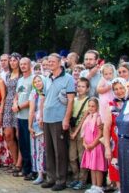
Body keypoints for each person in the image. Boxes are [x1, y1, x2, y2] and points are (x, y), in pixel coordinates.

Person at [40, 53, 75, 191]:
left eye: (53, 61)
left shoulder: (68, 78)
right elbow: (44, 98)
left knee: (60, 151)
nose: (50, 64)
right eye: (48, 62)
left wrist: (66, 118)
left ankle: (61, 180)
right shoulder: (47, 78)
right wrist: (41, 115)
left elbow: (71, 100)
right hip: (47, 118)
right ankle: (51, 178)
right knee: (48, 150)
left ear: (60, 62)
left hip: (59, 118)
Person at [78, 98, 107, 193]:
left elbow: (100, 134)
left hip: (96, 146)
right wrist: (84, 143)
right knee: (91, 166)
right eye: (89, 106)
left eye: (93, 106)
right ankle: (93, 185)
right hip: (88, 146)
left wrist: (92, 144)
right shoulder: (88, 117)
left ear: (97, 107)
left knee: (97, 167)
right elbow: (84, 132)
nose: (90, 108)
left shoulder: (98, 117)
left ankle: (99, 186)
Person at [69, 77, 91, 190]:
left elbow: (84, 118)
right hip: (71, 130)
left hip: (81, 132)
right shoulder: (74, 100)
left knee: (81, 156)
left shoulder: (88, 101)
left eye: (83, 86)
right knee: (72, 156)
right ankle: (75, 177)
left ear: (87, 89)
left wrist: (75, 132)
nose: (80, 88)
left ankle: (83, 180)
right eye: (78, 86)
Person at [14, 57, 33, 178]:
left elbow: (32, 100)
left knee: (29, 144)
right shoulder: (20, 80)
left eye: (25, 64)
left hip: (28, 117)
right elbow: (17, 95)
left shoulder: (34, 79)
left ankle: (31, 170)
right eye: (21, 64)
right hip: (19, 116)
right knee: (23, 144)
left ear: (30, 65)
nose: (23, 66)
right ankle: (25, 169)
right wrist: (15, 104)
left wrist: (20, 106)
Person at [2, 53, 21, 172]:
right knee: (8, 134)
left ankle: (20, 163)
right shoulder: (8, 75)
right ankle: (14, 161)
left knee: (19, 136)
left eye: (15, 60)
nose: (13, 62)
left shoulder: (22, 75)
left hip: (19, 105)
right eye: (11, 60)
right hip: (8, 105)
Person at [29, 75, 48, 185]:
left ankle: (48, 173)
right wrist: (29, 125)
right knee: (36, 149)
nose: (37, 83)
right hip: (36, 125)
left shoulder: (47, 92)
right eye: (35, 82)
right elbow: (31, 111)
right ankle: (40, 174)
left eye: (39, 80)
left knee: (45, 150)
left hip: (46, 123)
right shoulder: (33, 94)